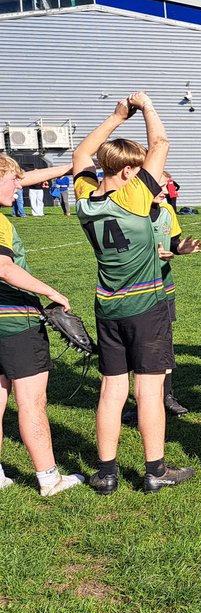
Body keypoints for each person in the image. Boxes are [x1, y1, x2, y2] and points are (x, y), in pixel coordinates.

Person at [72, 92, 194, 494]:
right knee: (149, 389)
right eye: (138, 168)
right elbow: (161, 144)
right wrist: (146, 107)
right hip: (145, 305)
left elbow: (81, 153)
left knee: (112, 388)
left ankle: (106, 472)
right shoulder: (136, 196)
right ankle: (155, 470)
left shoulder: (85, 201)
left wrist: (115, 116)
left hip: (107, 305)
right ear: (127, 171)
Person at [0, 154, 86, 496]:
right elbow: (4, 268)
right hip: (14, 321)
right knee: (32, 401)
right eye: (13, 180)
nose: (20, 187)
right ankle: (49, 478)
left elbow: (31, 176)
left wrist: (70, 166)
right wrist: (51, 291)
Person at [150, 177, 201, 417]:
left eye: (166, 185)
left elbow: (171, 243)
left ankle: (165, 397)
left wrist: (181, 248)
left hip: (164, 288)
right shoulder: (130, 212)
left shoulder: (167, 210)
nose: (165, 190)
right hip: (136, 292)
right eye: (160, 185)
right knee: (142, 348)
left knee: (164, 344)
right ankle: (144, 400)